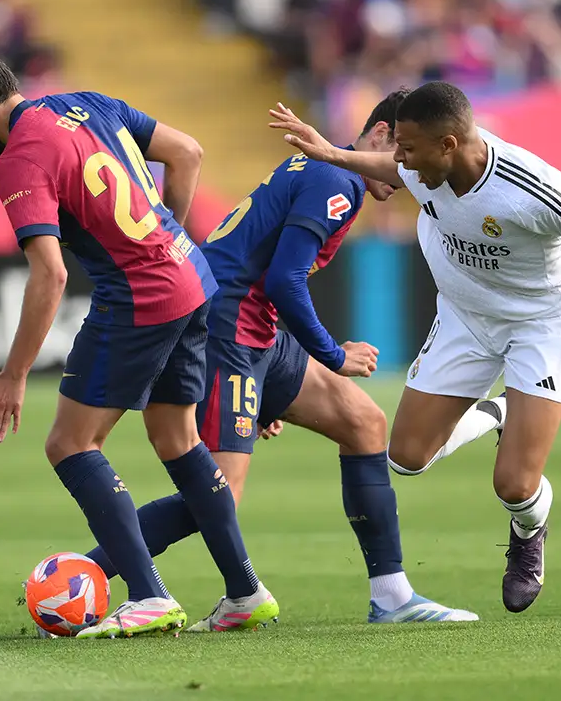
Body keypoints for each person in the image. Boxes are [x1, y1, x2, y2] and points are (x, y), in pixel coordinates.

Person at [84, 89, 490, 625]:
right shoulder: (337, 180)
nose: (409, 170)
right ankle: (83, 572)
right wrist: (332, 354)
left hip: (257, 332)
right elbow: (284, 279)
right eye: (405, 153)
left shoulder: (328, 174)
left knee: (364, 423)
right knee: (218, 494)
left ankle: (392, 598)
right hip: (227, 329)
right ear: (381, 136)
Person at [270, 81, 561, 614]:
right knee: (406, 458)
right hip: (465, 318)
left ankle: (530, 529)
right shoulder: (422, 160)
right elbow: (390, 169)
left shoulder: (532, 188)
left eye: (409, 149)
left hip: (540, 324)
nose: (401, 161)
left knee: (514, 484)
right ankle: (501, 410)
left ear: (449, 145)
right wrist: (329, 151)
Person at [0, 43, 269, 638]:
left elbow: (51, 273)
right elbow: (187, 153)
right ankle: (244, 591)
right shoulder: (85, 103)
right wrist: (169, 236)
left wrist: (14, 373)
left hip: (140, 295)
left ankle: (149, 595)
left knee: (70, 444)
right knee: (176, 436)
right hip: (192, 277)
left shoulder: (19, 161)